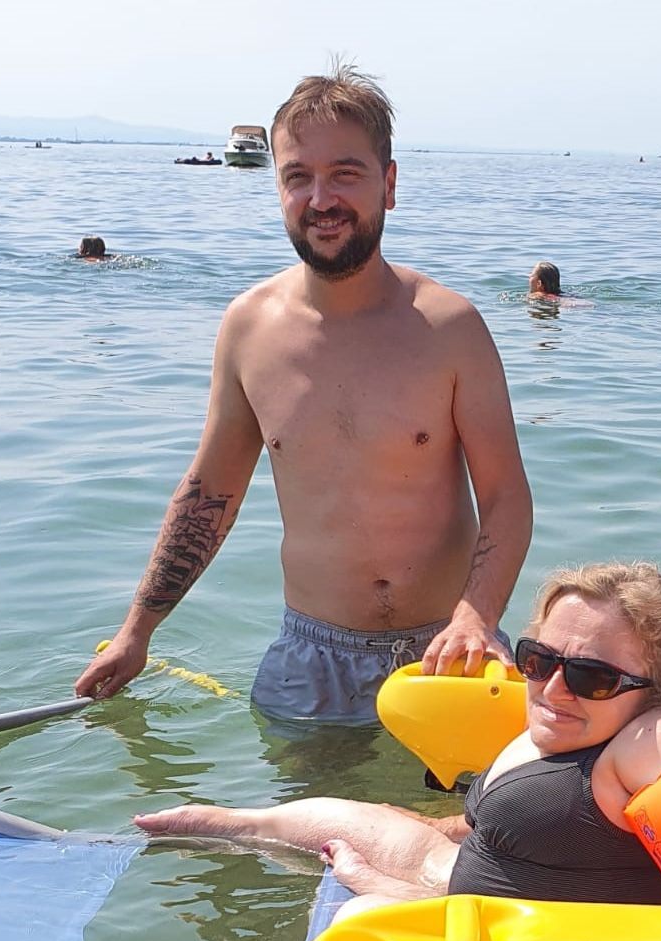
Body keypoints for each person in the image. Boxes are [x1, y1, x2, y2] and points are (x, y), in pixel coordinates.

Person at [75, 65, 533, 725]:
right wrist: (136, 632)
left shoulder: (450, 328)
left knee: (455, 827)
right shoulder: (249, 329)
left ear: (390, 184)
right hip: (310, 659)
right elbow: (210, 494)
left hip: (448, 653)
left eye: (345, 172)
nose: (321, 198)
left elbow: (506, 497)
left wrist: (477, 616)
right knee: (285, 829)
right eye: (298, 177)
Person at [134, 562, 661, 915]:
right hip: (467, 865)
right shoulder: (578, 728)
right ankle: (226, 823)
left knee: (363, 885)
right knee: (348, 820)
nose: (554, 689)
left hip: (488, 929)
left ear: (655, 685)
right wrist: (438, 828)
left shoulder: (648, 736)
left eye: (591, 676)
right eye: (540, 660)